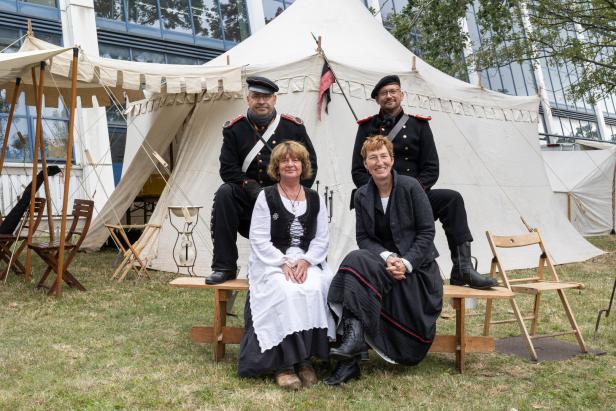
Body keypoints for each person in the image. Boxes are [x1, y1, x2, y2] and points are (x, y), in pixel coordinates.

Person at [351, 75, 496, 290]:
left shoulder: (419, 125)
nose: (389, 96)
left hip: (415, 193)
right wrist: (378, 190)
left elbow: (431, 168)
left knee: (451, 199)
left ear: (402, 95)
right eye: (384, 93)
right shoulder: (366, 128)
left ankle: (462, 267)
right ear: (377, 99)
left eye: (393, 91)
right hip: (380, 196)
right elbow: (357, 171)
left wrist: (412, 192)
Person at [325, 136, 443, 386]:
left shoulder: (412, 187)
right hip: (384, 266)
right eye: (372, 158)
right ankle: (352, 348)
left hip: (417, 272)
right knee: (357, 258)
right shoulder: (362, 195)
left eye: (383, 156)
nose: (379, 162)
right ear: (365, 164)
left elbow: (426, 232)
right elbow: (363, 237)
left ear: (392, 159)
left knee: (354, 266)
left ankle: (350, 357)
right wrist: (389, 257)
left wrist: (406, 263)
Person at [238, 141, 335, 390]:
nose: (290, 164)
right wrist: (282, 263)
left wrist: (305, 260)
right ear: (277, 167)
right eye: (284, 161)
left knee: (316, 287)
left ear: (303, 166)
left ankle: (304, 360)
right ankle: (283, 364)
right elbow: (259, 238)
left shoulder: (314, 198)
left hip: (305, 259)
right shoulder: (266, 196)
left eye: (296, 160)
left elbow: (321, 238)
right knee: (284, 290)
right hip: (270, 260)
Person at [207, 76, 318, 285]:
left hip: (284, 199)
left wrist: (293, 196)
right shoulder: (234, 129)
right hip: (250, 199)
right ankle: (224, 266)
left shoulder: (292, 127)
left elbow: (309, 164)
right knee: (225, 193)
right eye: (256, 96)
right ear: (248, 99)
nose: (261, 102)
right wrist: (252, 188)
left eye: (266, 97)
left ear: (274, 100)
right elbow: (228, 169)